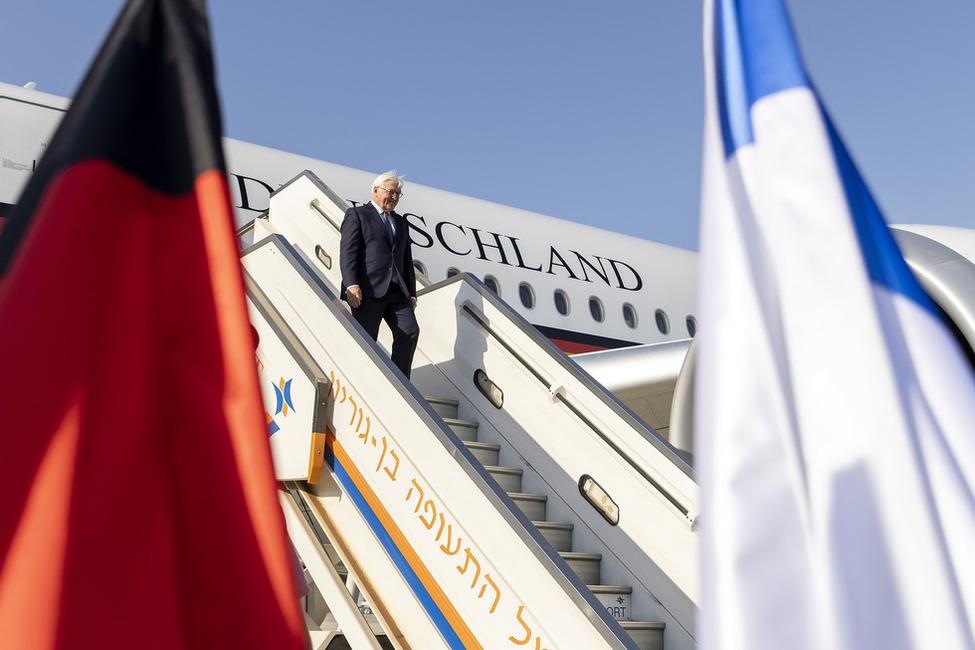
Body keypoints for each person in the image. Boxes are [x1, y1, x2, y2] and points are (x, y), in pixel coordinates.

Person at [340, 171, 419, 379]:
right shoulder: (357, 214)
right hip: (367, 290)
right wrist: (351, 284)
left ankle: (400, 381)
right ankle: (358, 381)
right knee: (366, 340)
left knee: (410, 331)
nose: (393, 197)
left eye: (398, 194)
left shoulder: (401, 223)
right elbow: (348, 252)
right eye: (390, 192)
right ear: (375, 190)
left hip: (397, 292)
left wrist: (412, 294)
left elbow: (405, 260)